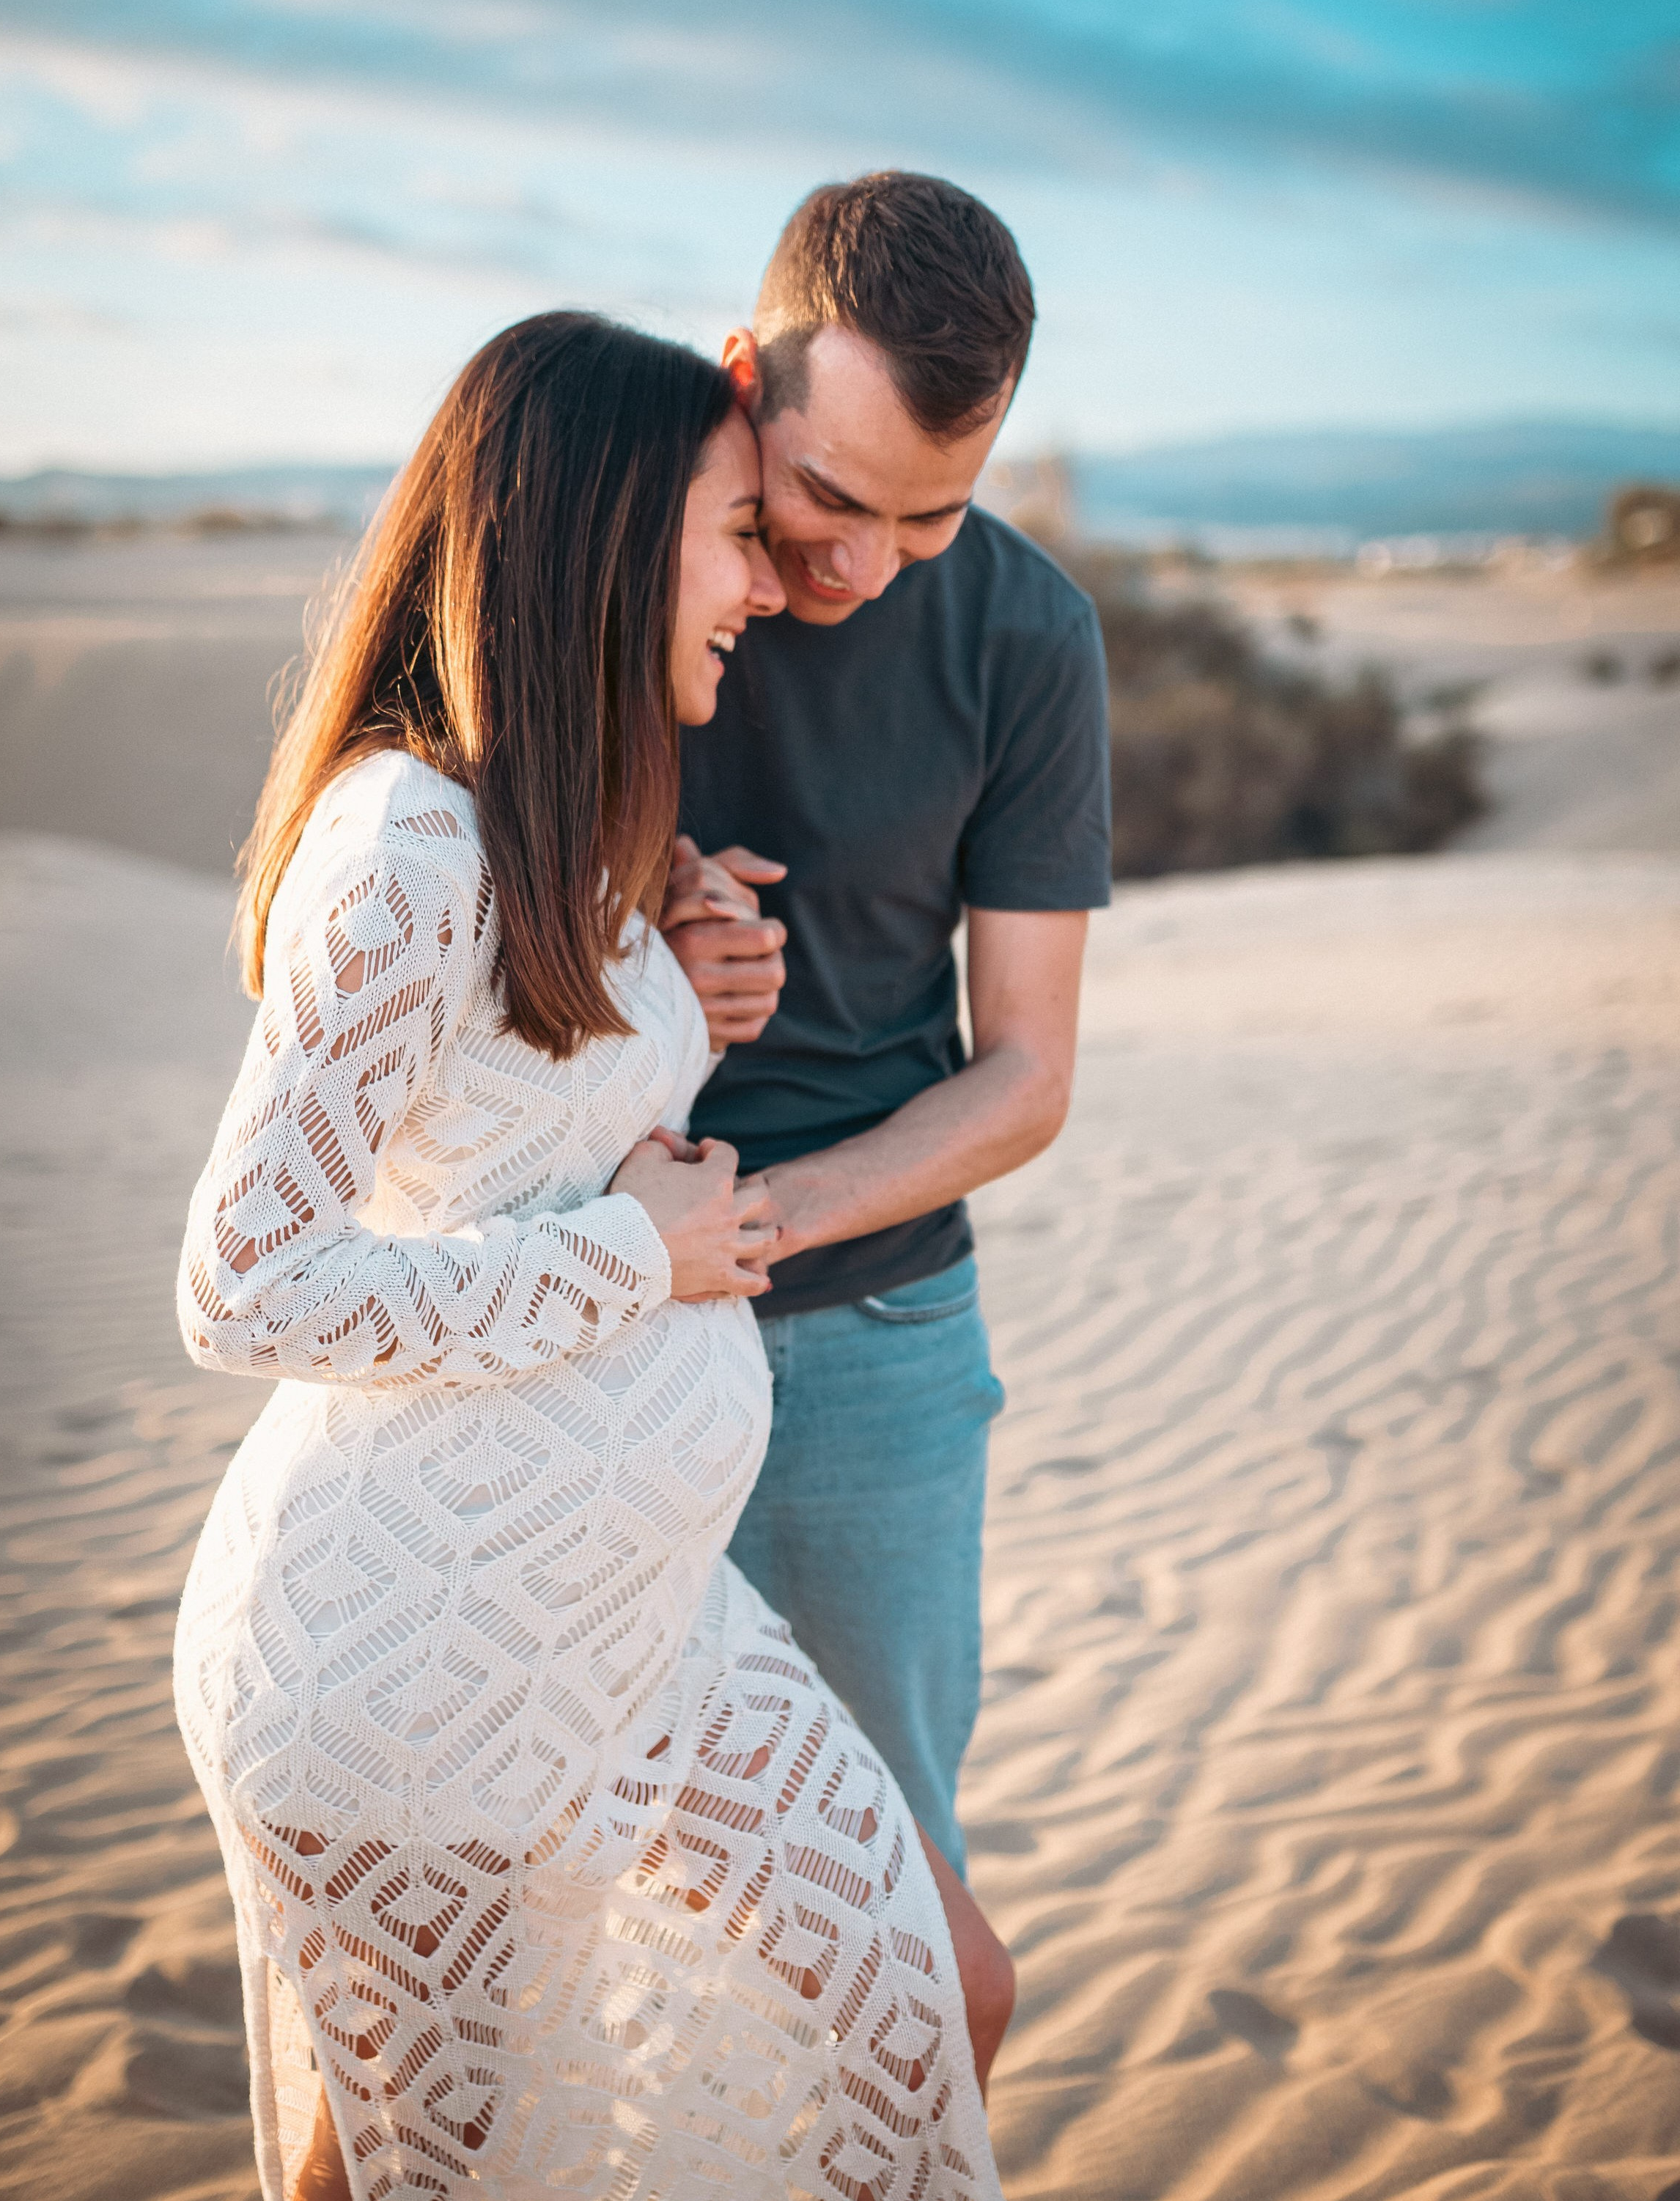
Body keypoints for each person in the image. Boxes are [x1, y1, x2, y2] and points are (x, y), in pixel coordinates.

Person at [172, 312, 1010, 2201]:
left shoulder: (544, 832)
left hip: (628, 1625)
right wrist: (638, 1255)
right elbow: (245, 1280)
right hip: (411, 1664)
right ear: (609, 541)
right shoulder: (403, 844)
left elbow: (515, 1141)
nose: (766, 591)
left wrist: (679, 995)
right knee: (432, 2169)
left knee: (924, 1991)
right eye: (739, 535)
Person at [663, 174, 1111, 1882]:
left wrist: (748, 1227)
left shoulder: (1031, 634)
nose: (860, 565)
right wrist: (637, 928)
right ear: (743, 378)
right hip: (569, 1306)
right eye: (831, 497)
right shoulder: (592, 567)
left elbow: (1029, 1075)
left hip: (875, 1340)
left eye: (932, 516)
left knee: (888, 1884)